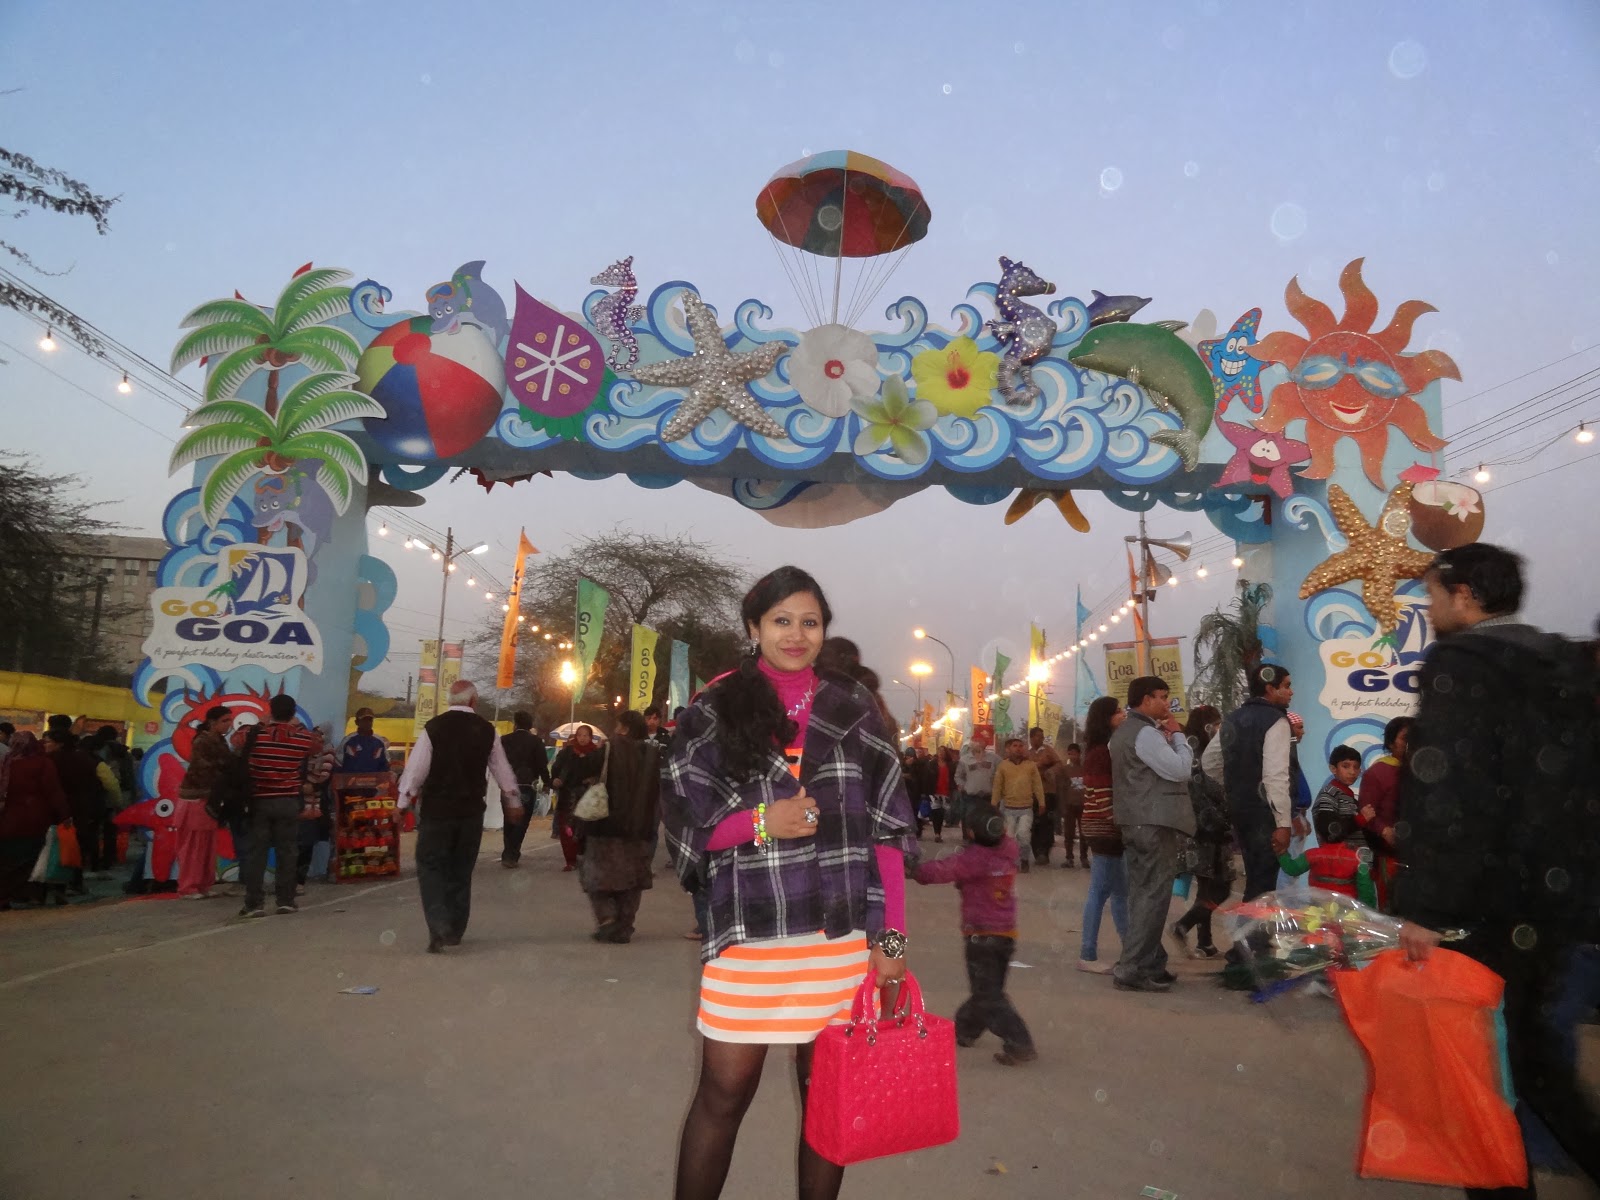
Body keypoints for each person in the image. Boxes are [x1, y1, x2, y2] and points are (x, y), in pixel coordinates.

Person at [661, 565, 916, 1200]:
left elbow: (887, 834)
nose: (796, 635)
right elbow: (687, 821)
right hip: (749, 936)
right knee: (722, 1096)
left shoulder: (852, 708)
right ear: (753, 627)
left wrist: (891, 947)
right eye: (781, 621)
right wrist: (761, 822)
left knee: (827, 1102)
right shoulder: (714, 709)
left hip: (838, 938)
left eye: (810, 622)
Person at [1392, 544, 1600, 1198]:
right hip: (1551, 904)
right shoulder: (1564, 664)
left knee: (1474, 1070)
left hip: (1483, 906)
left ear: (1466, 596)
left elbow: (1449, 791)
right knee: (1535, 1061)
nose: (1429, 609)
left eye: (1433, 595)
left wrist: (1429, 909)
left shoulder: (1462, 664)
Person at [398, 680, 522, 953]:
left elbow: (416, 770)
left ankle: (438, 924)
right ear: (473, 701)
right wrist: (513, 801)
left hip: (437, 812)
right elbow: (502, 769)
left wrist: (403, 802)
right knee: (461, 870)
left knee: (431, 867)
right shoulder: (487, 730)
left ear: (449, 700)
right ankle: (454, 929)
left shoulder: (434, 728)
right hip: (470, 813)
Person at [913, 804, 1035, 1065]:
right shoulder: (1009, 849)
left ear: (971, 832)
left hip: (981, 937)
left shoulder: (974, 859)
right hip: (1006, 934)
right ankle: (965, 1028)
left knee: (988, 995)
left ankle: (1019, 1042)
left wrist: (914, 869)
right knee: (989, 990)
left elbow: (941, 870)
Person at [1109, 676, 1194, 993]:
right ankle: (1131, 968)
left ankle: (1151, 963)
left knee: (1144, 896)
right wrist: (1179, 736)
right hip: (1153, 823)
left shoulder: (1122, 732)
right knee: (1152, 898)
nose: (1167, 703)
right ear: (1146, 700)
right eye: (1162, 697)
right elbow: (1181, 769)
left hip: (1135, 820)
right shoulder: (1146, 733)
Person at [1203, 663, 1295, 905]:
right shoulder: (1276, 720)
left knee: (1255, 880)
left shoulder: (1232, 719)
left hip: (1240, 810)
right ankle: (1251, 930)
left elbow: (1209, 762)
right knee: (1263, 886)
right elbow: (1276, 776)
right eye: (1286, 686)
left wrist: (1236, 783)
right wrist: (1283, 823)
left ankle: (1248, 929)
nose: (1291, 692)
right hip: (1265, 814)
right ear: (1270, 688)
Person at [578, 710, 661, 943]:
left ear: (623, 727)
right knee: (632, 881)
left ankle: (607, 919)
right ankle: (625, 924)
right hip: (639, 827)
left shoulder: (609, 748)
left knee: (597, 875)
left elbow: (583, 769)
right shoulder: (652, 754)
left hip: (606, 824)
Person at [237, 694, 320, 918]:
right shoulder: (302, 737)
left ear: (271, 710)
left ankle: (254, 904)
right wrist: (297, 725)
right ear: (293, 713)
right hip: (288, 800)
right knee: (288, 851)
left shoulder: (256, 734)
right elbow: (316, 745)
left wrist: (261, 722)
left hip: (259, 800)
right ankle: (285, 900)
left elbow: (236, 740)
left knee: (257, 853)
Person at [1170, 706, 1231, 959]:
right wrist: (1226, 814)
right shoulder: (1198, 756)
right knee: (1222, 888)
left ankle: (1205, 942)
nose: (1219, 729)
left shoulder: (1196, 751)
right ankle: (1183, 925)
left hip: (1200, 830)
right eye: (1215, 724)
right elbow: (1204, 793)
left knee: (1206, 889)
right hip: (1208, 831)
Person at [1077, 696, 1129, 974]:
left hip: (1105, 827)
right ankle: (1088, 954)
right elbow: (1102, 796)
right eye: (1118, 711)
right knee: (1100, 892)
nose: (1123, 714)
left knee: (1119, 892)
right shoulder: (1100, 753)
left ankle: (1131, 949)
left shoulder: (1103, 749)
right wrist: (1120, 823)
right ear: (1106, 718)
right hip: (1104, 829)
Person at [0, 732, 69, 910]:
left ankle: (8, 896)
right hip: (33, 818)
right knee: (27, 859)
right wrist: (65, 815)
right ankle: (14, 895)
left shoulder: (7, 762)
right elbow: (53, 791)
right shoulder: (42, 763)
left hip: (7, 818)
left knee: (7, 859)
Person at [174, 705, 232, 899]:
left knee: (207, 845)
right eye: (225, 721)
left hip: (210, 797)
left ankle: (203, 885)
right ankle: (188, 886)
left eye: (230, 720)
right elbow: (203, 769)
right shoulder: (202, 741)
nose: (229, 724)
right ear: (212, 722)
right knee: (194, 846)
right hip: (196, 798)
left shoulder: (219, 740)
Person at [1356, 714, 1412, 909]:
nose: (1411, 743)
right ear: (1390, 743)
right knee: (1391, 908)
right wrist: (1384, 830)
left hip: (1420, 854)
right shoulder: (1377, 772)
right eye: (1405, 738)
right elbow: (1366, 812)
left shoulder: (1424, 770)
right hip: (1389, 854)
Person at [498, 711, 552, 867]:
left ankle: (507, 852)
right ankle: (512, 854)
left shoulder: (504, 740)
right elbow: (542, 765)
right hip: (527, 786)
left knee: (508, 819)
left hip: (508, 786)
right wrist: (547, 783)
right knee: (522, 821)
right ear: (530, 725)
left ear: (515, 724)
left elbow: (498, 762)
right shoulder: (536, 742)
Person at [549, 725, 604, 872]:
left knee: (586, 828)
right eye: (579, 735)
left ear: (590, 737)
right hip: (567, 795)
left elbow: (602, 773)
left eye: (585, 735)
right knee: (567, 828)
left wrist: (594, 779)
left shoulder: (596, 753)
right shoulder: (567, 752)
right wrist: (555, 779)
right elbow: (556, 769)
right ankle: (570, 860)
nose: (582, 738)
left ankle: (583, 855)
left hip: (588, 796)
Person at [992, 737, 1044, 872]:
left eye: (1021, 746)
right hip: (1008, 808)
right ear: (1009, 749)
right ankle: (1011, 861)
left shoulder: (1030, 765)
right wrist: (994, 804)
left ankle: (1024, 859)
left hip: (1026, 808)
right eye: (1015, 746)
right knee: (1009, 837)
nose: (1018, 748)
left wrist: (1041, 802)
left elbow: (1037, 785)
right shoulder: (1003, 766)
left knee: (1023, 834)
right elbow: (997, 786)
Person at [1026, 726, 1063, 866]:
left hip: (1047, 792)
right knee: (1033, 823)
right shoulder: (1027, 753)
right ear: (1031, 738)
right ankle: (1037, 852)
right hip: (1032, 794)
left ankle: (1044, 852)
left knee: (1046, 822)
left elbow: (1059, 764)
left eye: (1042, 737)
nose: (1040, 739)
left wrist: (1051, 771)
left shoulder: (1048, 751)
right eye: (1038, 736)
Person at [954, 734, 996, 832]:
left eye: (981, 741)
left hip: (988, 796)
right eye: (976, 741)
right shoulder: (964, 760)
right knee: (970, 818)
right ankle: (968, 837)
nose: (979, 744)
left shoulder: (993, 758)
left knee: (986, 820)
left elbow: (1002, 771)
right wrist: (963, 786)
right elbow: (958, 776)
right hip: (971, 796)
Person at [1057, 743, 1087, 868]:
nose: (1072, 756)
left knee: (1084, 833)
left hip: (1084, 805)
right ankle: (1069, 858)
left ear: (1079, 754)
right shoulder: (1065, 770)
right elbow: (1061, 789)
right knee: (1069, 833)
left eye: (1074, 754)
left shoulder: (1086, 769)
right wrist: (1062, 806)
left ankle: (1084, 858)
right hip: (1069, 805)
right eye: (1070, 754)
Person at [339, 707, 390, 773]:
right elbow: (338, 763)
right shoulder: (348, 740)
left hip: (374, 779)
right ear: (356, 722)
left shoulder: (379, 741)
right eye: (364, 720)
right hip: (351, 778)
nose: (368, 722)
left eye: (370, 720)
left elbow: (385, 764)